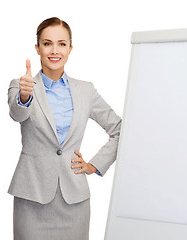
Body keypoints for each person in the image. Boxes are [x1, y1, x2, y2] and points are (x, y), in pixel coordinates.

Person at [7, 17, 122, 240]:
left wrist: (94, 165)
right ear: (37, 48)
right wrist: (24, 96)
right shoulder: (22, 84)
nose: (54, 50)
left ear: (70, 48)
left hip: (74, 200)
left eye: (61, 43)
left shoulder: (86, 91)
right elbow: (17, 114)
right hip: (32, 197)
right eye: (47, 43)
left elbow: (120, 129)